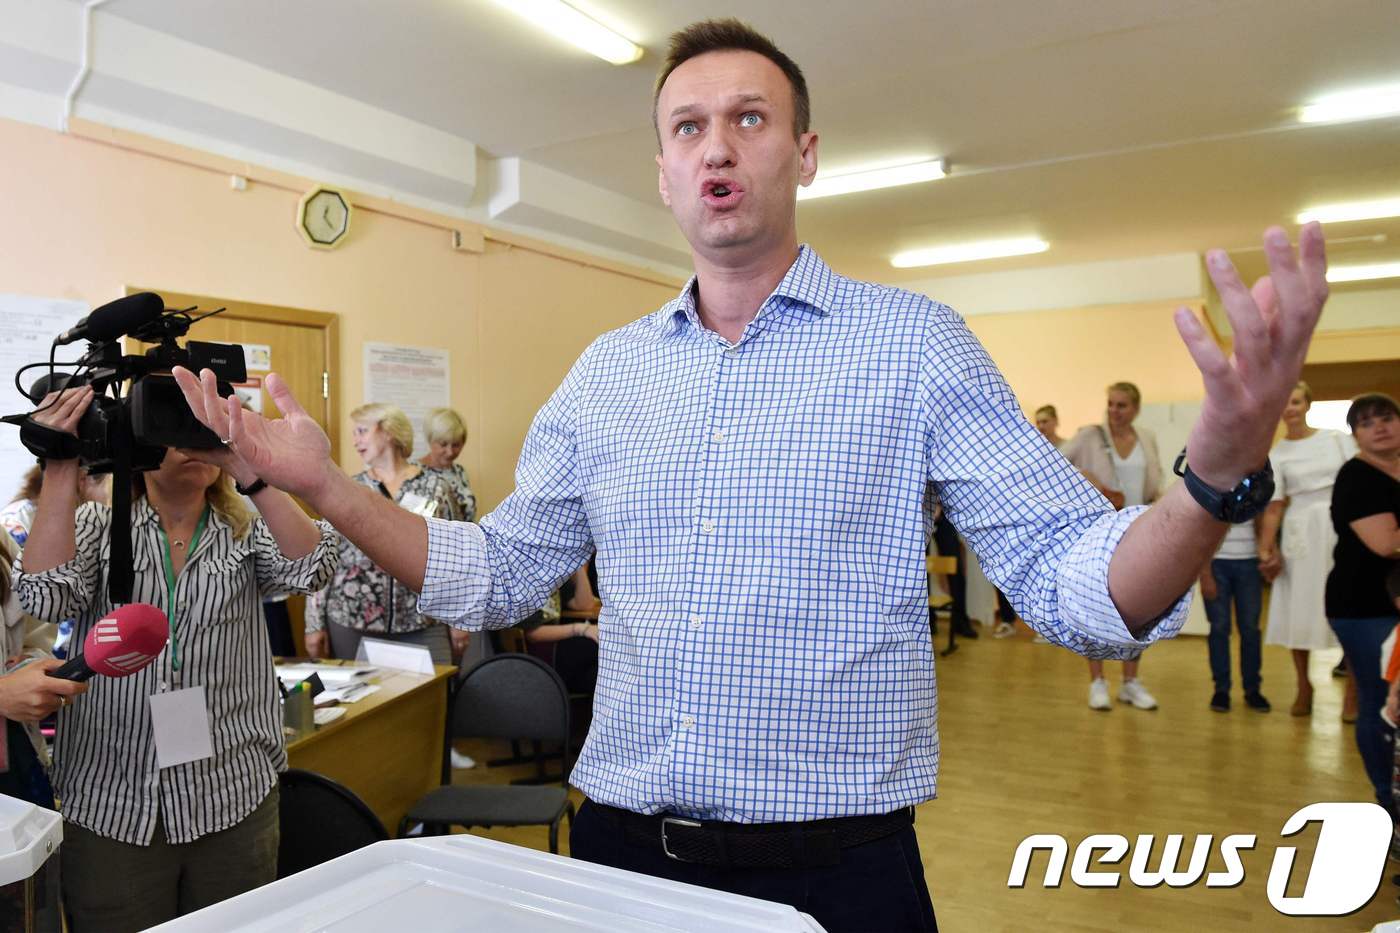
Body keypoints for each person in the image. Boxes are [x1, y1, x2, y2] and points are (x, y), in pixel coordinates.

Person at [173, 19, 1328, 931]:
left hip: (837, 873)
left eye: (748, 118)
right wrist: (324, 486)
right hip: (621, 852)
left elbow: (1079, 589)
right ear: (664, 172)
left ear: (804, 152)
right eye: (686, 128)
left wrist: (1213, 473)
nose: (715, 145)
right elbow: (490, 578)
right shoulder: (608, 373)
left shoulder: (910, 346)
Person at [16, 386, 338, 932]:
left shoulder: (246, 532)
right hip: (113, 799)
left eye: (203, 427)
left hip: (232, 792)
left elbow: (314, 568)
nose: (192, 441)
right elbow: (45, 596)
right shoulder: (99, 527)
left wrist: (244, 465)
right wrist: (60, 463)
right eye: (176, 425)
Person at [305, 403, 458, 666]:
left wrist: (460, 619)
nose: (355, 441)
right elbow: (322, 557)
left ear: (388, 431)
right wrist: (313, 623)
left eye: (362, 431)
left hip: (422, 619)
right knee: (364, 706)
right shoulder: (348, 488)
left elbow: (455, 557)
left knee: (430, 703)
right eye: (354, 434)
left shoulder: (436, 487)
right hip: (352, 619)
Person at [1062, 382, 1164, 710]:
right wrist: (1085, 477)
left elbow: (1155, 480)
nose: (1114, 411)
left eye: (1121, 405)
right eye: (1110, 404)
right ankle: (1097, 682)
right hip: (1101, 533)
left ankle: (1131, 682)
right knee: (1096, 606)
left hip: (1138, 532)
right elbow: (1057, 464)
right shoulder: (1090, 436)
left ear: (1135, 408)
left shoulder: (1146, 437)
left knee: (1138, 609)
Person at [1257, 381, 1355, 716]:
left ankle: (1353, 692)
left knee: (1347, 605)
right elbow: (1274, 506)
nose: (1290, 409)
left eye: (1296, 402)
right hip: (1300, 531)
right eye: (1284, 403)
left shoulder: (1337, 440)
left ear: (1307, 405)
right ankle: (1304, 685)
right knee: (1299, 607)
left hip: (1341, 525)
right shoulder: (1277, 453)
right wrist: (1266, 550)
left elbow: (1359, 480)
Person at [1327, 393, 1400, 813]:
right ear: (1356, 435)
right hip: (1362, 606)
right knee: (1379, 700)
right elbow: (1386, 543)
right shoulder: (1356, 477)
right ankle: (1386, 800)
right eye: (1367, 422)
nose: (1379, 426)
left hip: (1392, 602)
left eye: (1386, 417)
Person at [1198, 521, 1269, 712]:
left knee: (1250, 629)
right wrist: (1204, 574)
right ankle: (1221, 689)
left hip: (1250, 562)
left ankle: (1253, 689)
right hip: (1216, 563)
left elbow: (1264, 522)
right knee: (1219, 628)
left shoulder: (1253, 490)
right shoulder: (1210, 490)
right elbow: (1200, 531)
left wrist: (1267, 554)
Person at [418, 406, 478, 524]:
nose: (450, 452)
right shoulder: (414, 472)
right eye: (443, 444)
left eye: (456, 445)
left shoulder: (459, 471)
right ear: (430, 440)